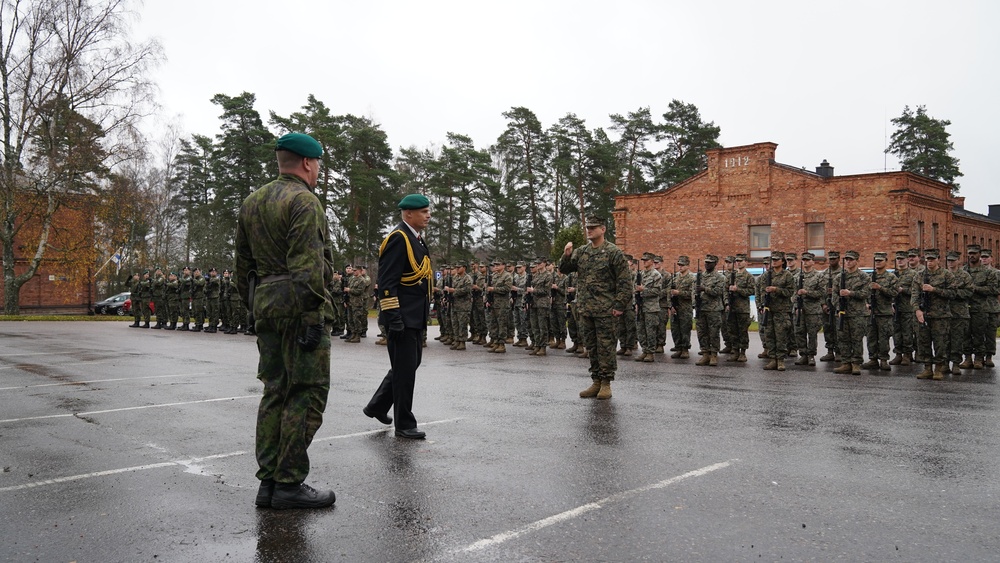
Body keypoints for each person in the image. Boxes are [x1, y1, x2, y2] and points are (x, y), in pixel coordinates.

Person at [235, 132, 336, 509]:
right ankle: (289, 482)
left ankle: (268, 483)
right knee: (306, 392)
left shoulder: (251, 202)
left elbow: (242, 267)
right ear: (308, 163)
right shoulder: (304, 201)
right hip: (298, 307)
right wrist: (313, 317)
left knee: (274, 390)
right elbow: (308, 266)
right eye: (318, 165)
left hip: (266, 306)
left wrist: (252, 308)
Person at [365, 193, 433, 439]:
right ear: (408, 214)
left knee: (407, 365)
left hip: (413, 315)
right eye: (424, 212)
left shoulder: (416, 239)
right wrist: (394, 318)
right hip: (402, 316)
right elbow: (386, 283)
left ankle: (377, 405)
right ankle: (404, 424)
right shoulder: (399, 238)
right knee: (405, 371)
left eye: (428, 211)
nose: (428, 215)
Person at [560, 216, 632, 399]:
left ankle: (606, 382)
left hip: (606, 310)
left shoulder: (613, 252)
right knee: (592, 347)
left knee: (606, 347)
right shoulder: (582, 252)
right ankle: (596, 381)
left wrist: (619, 305)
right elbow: (565, 269)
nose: (589, 230)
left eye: (593, 227)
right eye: (587, 227)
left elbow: (624, 282)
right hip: (586, 308)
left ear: (603, 229)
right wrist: (566, 255)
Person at [911, 248, 955, 379]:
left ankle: (939, 368)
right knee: (923, 342)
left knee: (940, 343)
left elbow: (953, 293)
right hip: (924, 314)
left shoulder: (947, 275)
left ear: (938, 260)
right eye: (927, 260)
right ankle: (927, 368)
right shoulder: (919, 275)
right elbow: (914, 295)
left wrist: (934, 289)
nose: (929, 262)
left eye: (932, 259)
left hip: (941, 316)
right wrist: (917, 310)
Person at [833, 250, 872, 376]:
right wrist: (839, 307)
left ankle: (856, 363)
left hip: (858, 313)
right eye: (847, 260)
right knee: (843, 339)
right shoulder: (839, 277)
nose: (848, 262)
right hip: (843, 312)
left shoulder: (864, 277)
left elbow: (866, 293)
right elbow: (834, 295)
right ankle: (846, 362)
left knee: (856, 339)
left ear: (856, 260)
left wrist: (851, 293)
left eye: (851, 260)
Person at [861, 252, 897, 371]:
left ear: (886, 261)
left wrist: (880, 288)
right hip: (871, 312)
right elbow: (864, 292)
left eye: (880, 261)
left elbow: (895, 293)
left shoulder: (891, 277)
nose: (878, 263)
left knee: (883, 337)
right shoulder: (869, 277)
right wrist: (866, 302)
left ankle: (883, 359)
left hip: (884, 312)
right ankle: (873, 359)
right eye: (876, 261)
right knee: (871, 337)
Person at [634, 252, 662, 362]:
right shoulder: (641, 274)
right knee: (641, 330)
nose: (644, 262)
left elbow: (657, 291)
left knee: (650, 330)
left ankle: (650, 352)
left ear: (651, 261)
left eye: (646, 260)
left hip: (651, 307)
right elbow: (635, 289)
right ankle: (644, 350)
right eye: (643, 260)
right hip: (641, 306)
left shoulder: (656, 275)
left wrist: (643, 290)